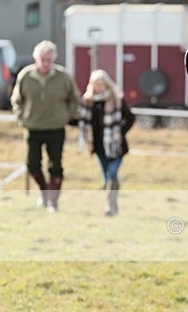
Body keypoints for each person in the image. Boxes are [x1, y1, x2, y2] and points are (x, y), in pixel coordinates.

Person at [11, 40, 80, 212]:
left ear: (53, 60)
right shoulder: (26, 75)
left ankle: (53, 201)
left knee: (55, 165)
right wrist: (21, 117)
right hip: (33, 127)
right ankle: (44, 191)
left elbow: (74, 98)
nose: (45, 63)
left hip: (56, 128)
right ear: (36, 58)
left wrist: (68, 115)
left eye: (49, 60)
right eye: (42, 59)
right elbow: (17, 99)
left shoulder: (63, 76)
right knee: (32, 164)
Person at [78, 69, 135, 216]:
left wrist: (120, 133)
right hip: (99, 147)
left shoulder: (117, 100)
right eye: (96, 84)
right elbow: (82, 121)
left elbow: (130, 118)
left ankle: (111, 207)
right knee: (106, 179)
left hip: (116, 146)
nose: (99, 87)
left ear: (107, 84)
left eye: (101, 84)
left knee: (112, 174)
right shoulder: (88, 102)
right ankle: (111, 204)